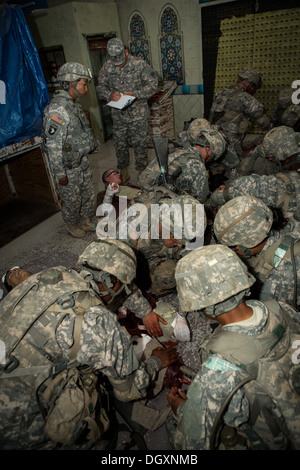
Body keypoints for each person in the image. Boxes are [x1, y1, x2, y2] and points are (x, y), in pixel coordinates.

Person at [0, 254, 178, 449]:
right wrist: (156, 362)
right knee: (92, 407)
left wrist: (145, 312)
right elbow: (129, 391)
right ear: (114, 283)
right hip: (17, 427)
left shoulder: (54, 276)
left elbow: (13, 276)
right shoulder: (99, 324)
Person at [166, 244, 300, 450]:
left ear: (204, 308)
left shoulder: (218, 368)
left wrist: (182, 410)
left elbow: (190, 445)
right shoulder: (282, 308)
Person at [42, 62, 100, 239]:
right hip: (68, 166)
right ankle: (71, 223)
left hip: (79, 160)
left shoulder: (73, 105)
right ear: (71, 83)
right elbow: (53, 146)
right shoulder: (58, 110)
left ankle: (86, 220)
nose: (86, 88)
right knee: (72, 198)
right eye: (83, 83)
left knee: (88, 194)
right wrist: (60, 173)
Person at [115, 187, 207, 295]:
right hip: (141, 256)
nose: (180, 245)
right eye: (176, 239)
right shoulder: (128, 233)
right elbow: (120, 276)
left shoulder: (180, 209)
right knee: (164, 278)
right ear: (165, 226)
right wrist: (143, 308)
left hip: (158, 247)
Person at [213, 195, 300, 308]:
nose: (235, 251)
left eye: (234, 247)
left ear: (250, 241)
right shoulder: (282, 232)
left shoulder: (280, 271)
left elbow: (277, 316)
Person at [96, 38, 158, 184]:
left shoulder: (140, 64)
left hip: (138, 114)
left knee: (140, 143)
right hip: (118, 115)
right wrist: (109, 95)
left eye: (121, 60)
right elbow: (100, 87)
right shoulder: (107, 67)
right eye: (115, 61)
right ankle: (123, 170)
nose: (119, 64)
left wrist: (136, 93)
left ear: (126, 51)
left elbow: (153, 84)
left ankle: (142, 171)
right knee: (120, 144)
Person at [139, 119, 233, 202]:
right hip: (161, 208)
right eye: (212, 157)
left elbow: (142, 179)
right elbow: (201, 200)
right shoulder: (198, 166)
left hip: (144, 198)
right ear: (210, 150)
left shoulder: (176, 151)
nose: (210, 160)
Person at [209, 68, 270, 158]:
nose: (253, 89)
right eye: (253, 86)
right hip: (231, 142)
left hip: (214, 138)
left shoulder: (221, 93)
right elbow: (261, 121)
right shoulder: (244, 97)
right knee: (237, 165)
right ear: (247, 82)